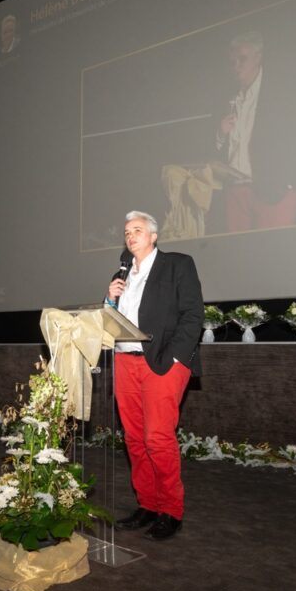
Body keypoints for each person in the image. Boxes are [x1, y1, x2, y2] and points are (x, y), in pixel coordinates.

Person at [105, 210, 204, 541]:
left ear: (153, 236)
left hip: (161, 361)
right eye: (126, 231)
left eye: (137, 230)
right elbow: (110, 321)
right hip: (124, 361)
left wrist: (177, 357)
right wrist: (109, 299)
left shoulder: (177, 265)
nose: (130, 235)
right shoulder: (123, 274)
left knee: (156, 438)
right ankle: (147, 504)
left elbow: (193, 314)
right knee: (134, 440)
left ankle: (170, 511)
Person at [214, 30, 296, 232]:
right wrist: (220, 133)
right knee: (238, 256)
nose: (236, 66)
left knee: (271, 254)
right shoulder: (227, 94)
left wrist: (289, 182)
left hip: (272, 189)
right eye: (232, 61)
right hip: (235, 190)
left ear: (258, 57)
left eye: (242, 59)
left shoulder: (280, 91)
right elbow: (217, 145)